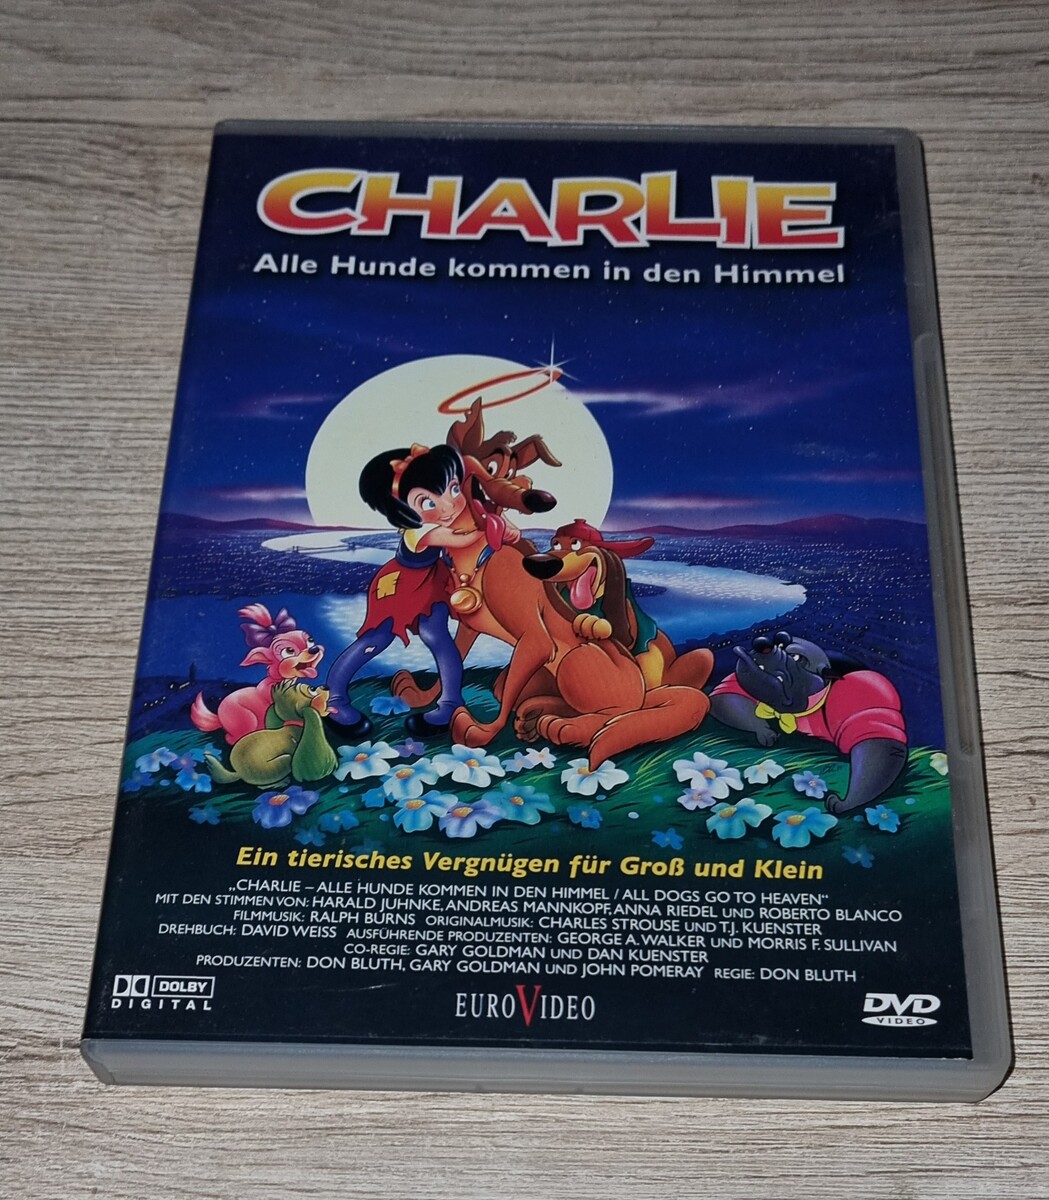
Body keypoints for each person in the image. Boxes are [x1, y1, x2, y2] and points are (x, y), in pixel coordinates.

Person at [325, 442, 486, 736]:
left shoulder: (439, 523)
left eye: (453, 489)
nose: (449, 506)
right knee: (377, 638)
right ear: (402, 508)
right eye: (428, 502)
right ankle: (334, 698)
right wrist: (496, 523)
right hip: (399, 587)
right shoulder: (423, 531)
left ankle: (451, 702)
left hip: (430, 583)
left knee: (437, 637)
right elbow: (466, 539)